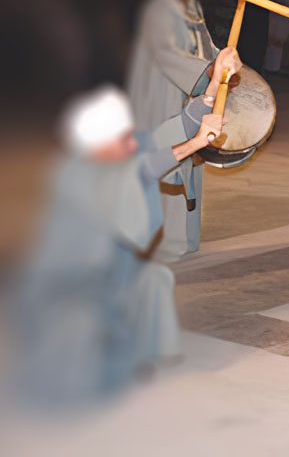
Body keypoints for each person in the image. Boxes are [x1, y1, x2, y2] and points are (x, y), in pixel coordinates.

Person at [7, 66, 233, 405]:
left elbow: (173, 131)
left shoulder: (122, 152)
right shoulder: (73, 174)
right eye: (120, 139)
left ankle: (135, 357)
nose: (130, 143)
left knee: (154, 279)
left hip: (111, 274)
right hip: (68, 283)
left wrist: (217, 80)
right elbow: (149, 165)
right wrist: (197, 143)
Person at [126, 0, 220, 261]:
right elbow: (166, 55)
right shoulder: (155, 9)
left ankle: (185, 238)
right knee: (168, 168)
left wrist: (223, 60)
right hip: (163, 99)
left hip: (190, 99)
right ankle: (159, 242)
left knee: (190, 168)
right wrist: (208, 72)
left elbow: (205, 47)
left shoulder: (192, 5)